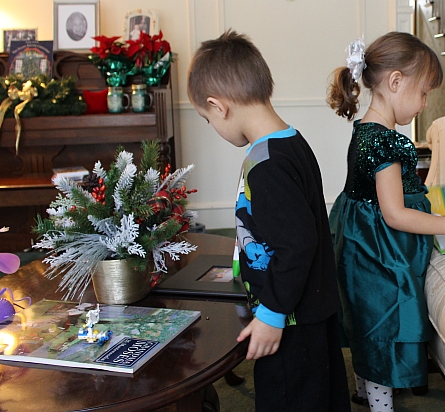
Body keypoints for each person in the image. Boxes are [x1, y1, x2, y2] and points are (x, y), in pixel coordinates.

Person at [327, 32, 445, 411]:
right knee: (383, 327)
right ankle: (379, 402)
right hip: (376, 254)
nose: (425, 103)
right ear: (396, 82)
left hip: (360, 243)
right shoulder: (386, 142)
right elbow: (395, 213)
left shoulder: (365, 130)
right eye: (423, 93)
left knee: (364, 322)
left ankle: (363, 390)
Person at [187, 31, 350, 412]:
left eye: (207, 119)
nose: (213, 126)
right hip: (308, 308)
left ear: (218, 106)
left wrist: (272, 315)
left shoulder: (268, 166)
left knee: (290, 397)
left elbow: (298, 245)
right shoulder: (288, 142)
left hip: (291, 319)